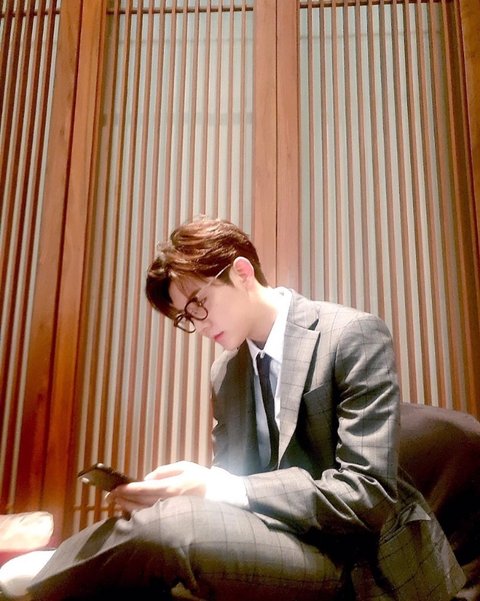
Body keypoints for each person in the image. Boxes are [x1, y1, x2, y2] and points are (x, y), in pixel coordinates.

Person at [9, 217, 465, 599]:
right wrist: (184, 492)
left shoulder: (351, 336)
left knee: (174, 531)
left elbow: (368, 495)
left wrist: (212, 488)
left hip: (362, 558)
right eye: (186, 317)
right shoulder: (227, 374)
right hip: (284, 542)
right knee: (167, 520)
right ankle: (56, 569)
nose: (199, 325)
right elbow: (232, 485)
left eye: (199, 303)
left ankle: (43, 577)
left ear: (242, 273)